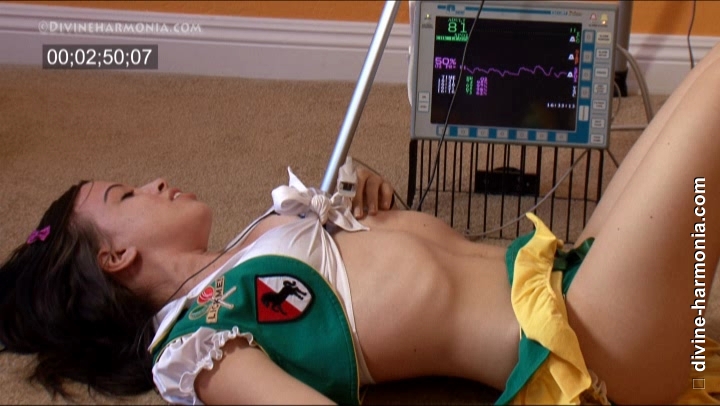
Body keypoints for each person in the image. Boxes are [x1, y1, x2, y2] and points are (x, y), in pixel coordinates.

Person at [4, 44, 720, 406]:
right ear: (116, 256)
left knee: (705, 79)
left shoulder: (258, 237)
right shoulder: (200, 343)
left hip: (572, 273)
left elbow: (388, 290)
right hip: (589, 347)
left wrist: (379, 208)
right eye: (127, 193)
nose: (156, 183)